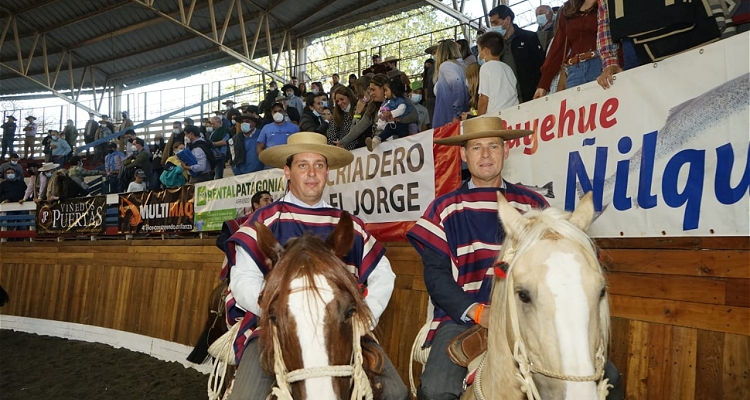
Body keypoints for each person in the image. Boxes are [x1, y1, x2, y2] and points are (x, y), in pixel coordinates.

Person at [223, 131, 407, 400]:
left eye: (319, 165)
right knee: (246, 397)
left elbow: (383, 274)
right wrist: (278, 310)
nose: (312, 173)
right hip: (275, 328)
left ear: (327, 172)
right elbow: (242, 280)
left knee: (396, 392)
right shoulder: (264, 220)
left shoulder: (350, 225)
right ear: (287, 172)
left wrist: (364, 317)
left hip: (339, 326)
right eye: (302, 165)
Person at [407, 117, 551, 400]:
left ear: (506, 150)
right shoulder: (444, 208)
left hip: (527, 319)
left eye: (493, 146)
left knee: (605, 378)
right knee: (436, 390)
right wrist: (476, 312)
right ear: (463, 154)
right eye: (476, 148)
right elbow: (436, 276)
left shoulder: (534, 205)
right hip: (462, 319)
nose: (485, 155)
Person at [534, 0, 600, 99]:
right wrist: (543, 84)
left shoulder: (605, 4)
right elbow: (558, 46)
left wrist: (615, 64)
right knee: (575, 110)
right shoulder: (568, 8)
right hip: (575, 68)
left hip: (601, 63)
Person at [488, 5, 546, 103]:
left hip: (530, 96)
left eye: (496, 22)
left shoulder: (529, 38)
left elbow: (540, 65)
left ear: (507, 20)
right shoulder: (494, 45)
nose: (493, 27)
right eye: (491, 24)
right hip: (506, 101)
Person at [476, 31, 519, 116]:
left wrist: (478, 118)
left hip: (495, 116)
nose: (479, 55)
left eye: (479, 51)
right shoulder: (508, 68)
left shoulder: (486, 67)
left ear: (486, 51)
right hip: (513, 113)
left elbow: (484, 98)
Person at [366, 75, 412, 151]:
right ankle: (374, 143)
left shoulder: (402, 101)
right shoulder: (383, 103)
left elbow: (405, 110)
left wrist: (392, 114)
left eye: (373, 90)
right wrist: (381, 115)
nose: (371, 93)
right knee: (384, 134)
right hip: (386, 139)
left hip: (397, 141)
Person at [432, 40, 469, 129]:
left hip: (448, 118)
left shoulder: (446, 66)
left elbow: (457, 85)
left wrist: (456, 114)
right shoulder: (463, 66)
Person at [326, 86, 359, 150]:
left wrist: (346, 147)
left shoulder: (358, 111)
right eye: (337, 101)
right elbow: (331, 134)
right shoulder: (336, 115)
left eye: (342, 99)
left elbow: (357, 131)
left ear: (349, 97)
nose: (339, 103)